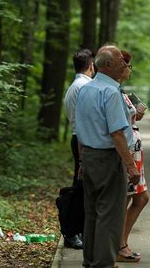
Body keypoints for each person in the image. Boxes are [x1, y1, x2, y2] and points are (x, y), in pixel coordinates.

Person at [75, 45, 140, 268]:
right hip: (108, 159)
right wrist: (131, 166)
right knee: (110, 215)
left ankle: (90, 260)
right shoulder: (111, 92)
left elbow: (80, 129)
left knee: (92, 213)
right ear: (110, 64)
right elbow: (117, 134)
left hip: (90, 157)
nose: (125, 64)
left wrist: (82, 161)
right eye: (121, 60)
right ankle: (103, 263)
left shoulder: (86, 90)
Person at [61, 48, 95, 249]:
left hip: (79, 138)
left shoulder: (75, 85)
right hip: (83, 139)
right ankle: (72, 231)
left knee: (82, 186)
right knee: (80, 187)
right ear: (91, 65)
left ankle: (77, 229)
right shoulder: (85, 87)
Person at [116, 51, 148, 263]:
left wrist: (135, 114)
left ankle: (121, 241)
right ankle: (119, 245)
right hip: (128, 151)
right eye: (128, 66)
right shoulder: (113, 92)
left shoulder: (121, 91)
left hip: (134, 150)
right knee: (126, 199)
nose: (129, 70)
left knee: (141, 198)